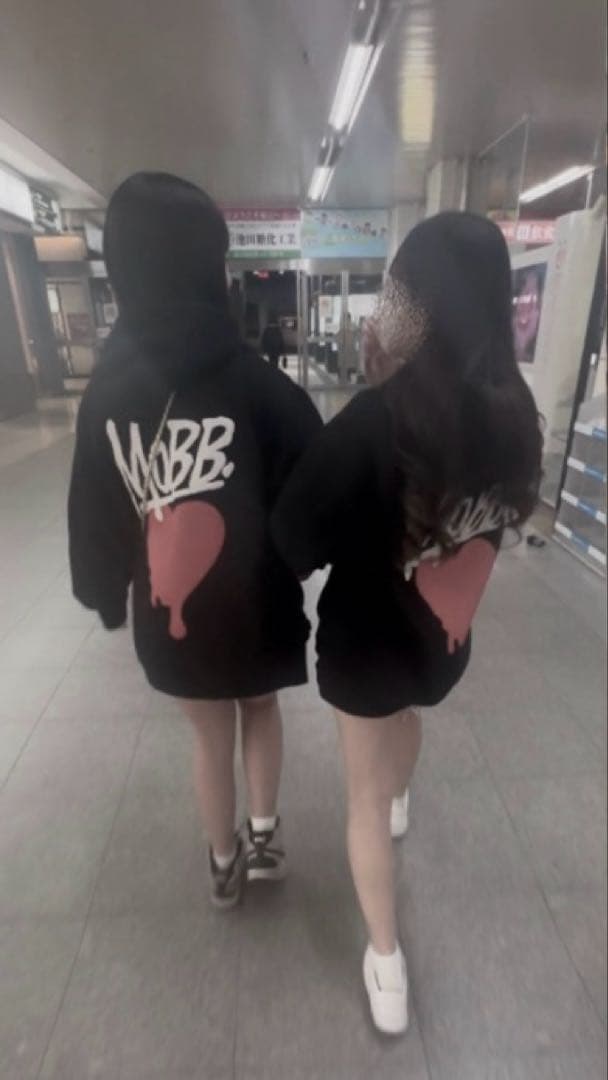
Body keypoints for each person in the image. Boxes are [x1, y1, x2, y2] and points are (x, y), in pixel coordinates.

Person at [272, 212, 542, 1035]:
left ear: (415, 306)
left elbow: (294, 537)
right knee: (408, 721)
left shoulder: (373, 420)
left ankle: (385, 962)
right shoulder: (516, 416)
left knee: (359, 794)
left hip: (365, 651)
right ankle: (400, 802)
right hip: (441, 646)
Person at [68, 173, 321, 909]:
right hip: (259, 602)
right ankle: (265, 838)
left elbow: (94, 508)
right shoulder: (263, 388)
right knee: (260, 709)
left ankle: (222, 861)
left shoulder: (107, 396)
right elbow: (315, 486)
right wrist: (304, 558)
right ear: (213, 269)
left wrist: (105, 594)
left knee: (208, 735)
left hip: (170, 612)